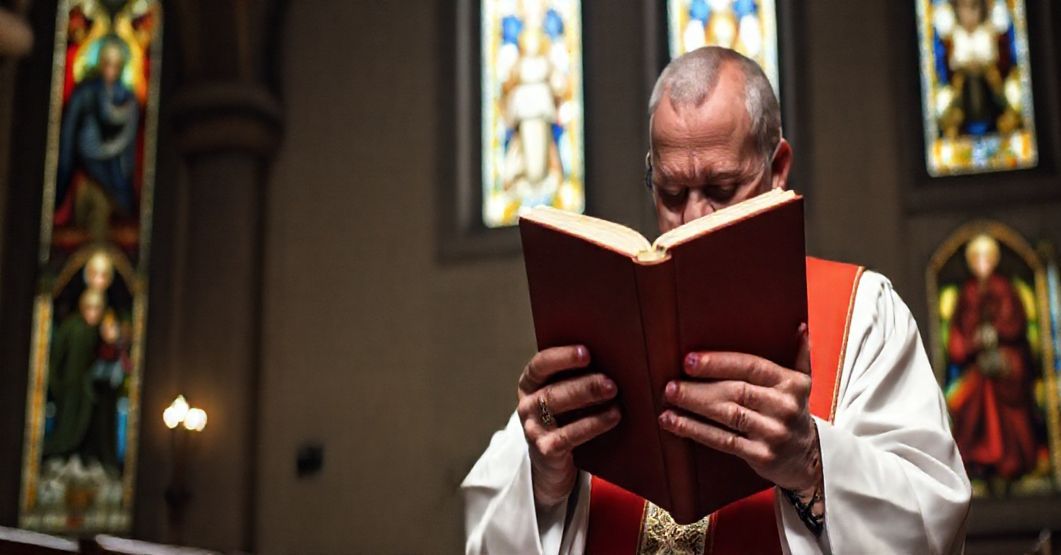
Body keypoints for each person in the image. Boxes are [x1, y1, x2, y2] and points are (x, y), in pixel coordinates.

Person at [463, 47, 971, 554]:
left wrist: (812, 463)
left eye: (721, 188)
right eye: (671, 192)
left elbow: (932, 520)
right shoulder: (612, 315)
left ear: (778, 169)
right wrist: (543, 482)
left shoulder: (864, 314)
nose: (692, 219)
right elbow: (488, 534)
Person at [947, 234, 1042, 493]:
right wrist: (971, 342)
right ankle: (980, 463)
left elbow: (1014, 322)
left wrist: (996, 333)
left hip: (1007, 363)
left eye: (986, 258)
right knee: (969, 399)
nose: (981, 264)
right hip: (978, 363)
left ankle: (1012, 463)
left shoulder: (1003, 288)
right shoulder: (968, 292)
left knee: (1007, 408)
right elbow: (959, 331)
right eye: (976, 259)